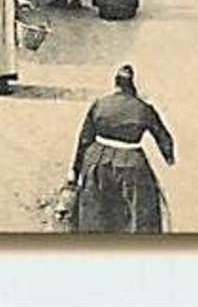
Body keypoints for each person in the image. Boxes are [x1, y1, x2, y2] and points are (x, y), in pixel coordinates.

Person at [68, 65, 176, 233]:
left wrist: (75, 171)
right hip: (131, 162)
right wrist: (168, 155)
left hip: (98, 160)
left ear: (116, 84)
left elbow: (84, 139)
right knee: (142, 213)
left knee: (94, 212)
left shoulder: (100, 104)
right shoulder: (143, 107)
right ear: (132, 86)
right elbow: (162, 135)